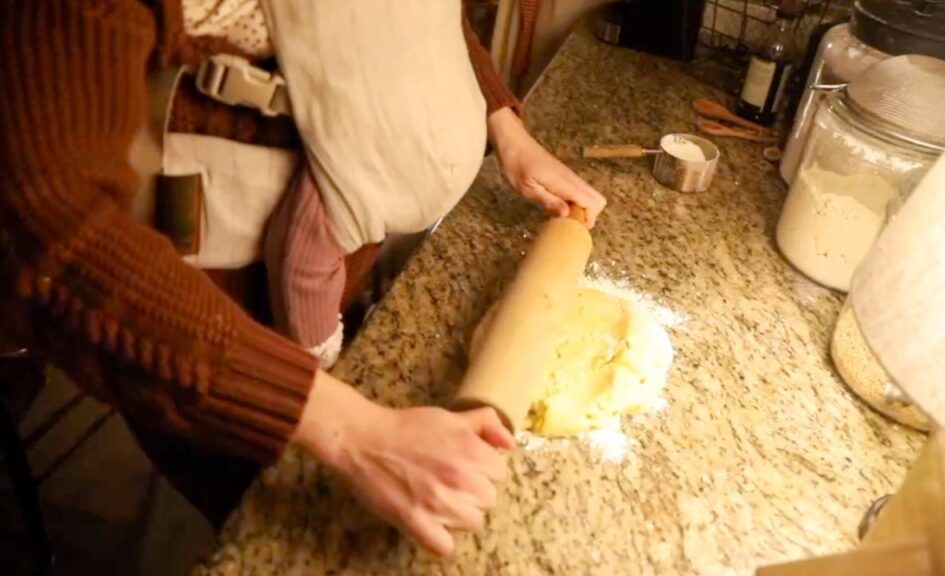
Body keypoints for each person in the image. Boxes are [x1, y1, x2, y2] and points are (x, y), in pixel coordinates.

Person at [0, 0, 605, 557]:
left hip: (336, 271)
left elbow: (420, 23)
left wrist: (506, 127)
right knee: (288, 531)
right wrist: (351, 431)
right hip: (198, 323)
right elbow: (56, 231)